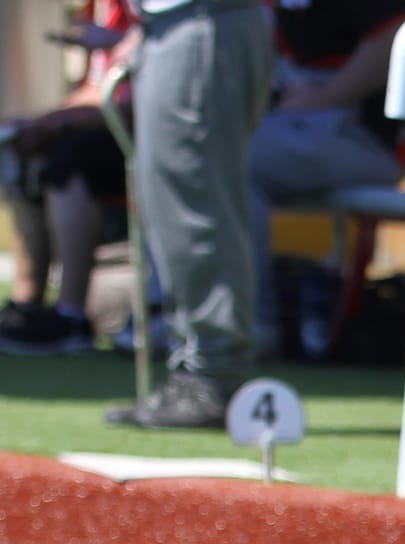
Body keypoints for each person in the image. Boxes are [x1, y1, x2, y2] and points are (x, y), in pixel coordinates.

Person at [105, 0, 273, 430]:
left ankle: (212, 374)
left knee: (194, 208)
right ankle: (199, 368)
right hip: (182, 23)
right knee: (173, 205)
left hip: (202, 22)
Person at [0, 3, 139, 357]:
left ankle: (71, 316)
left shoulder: (154, 10)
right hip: (113, 123)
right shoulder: (108, 8)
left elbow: (141, 102)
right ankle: (28, 305)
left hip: (151, 138)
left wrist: (58, 126)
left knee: (70, 161)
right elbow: (99, 90)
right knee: (25, 151)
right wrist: (39, 123)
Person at [248, 0, 405, 361]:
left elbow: (393, 36)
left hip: (366, 143)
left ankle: (249, 324)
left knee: (232, 161)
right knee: (212, 158)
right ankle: (195, 316)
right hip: (290, 136)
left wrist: (327, 96)